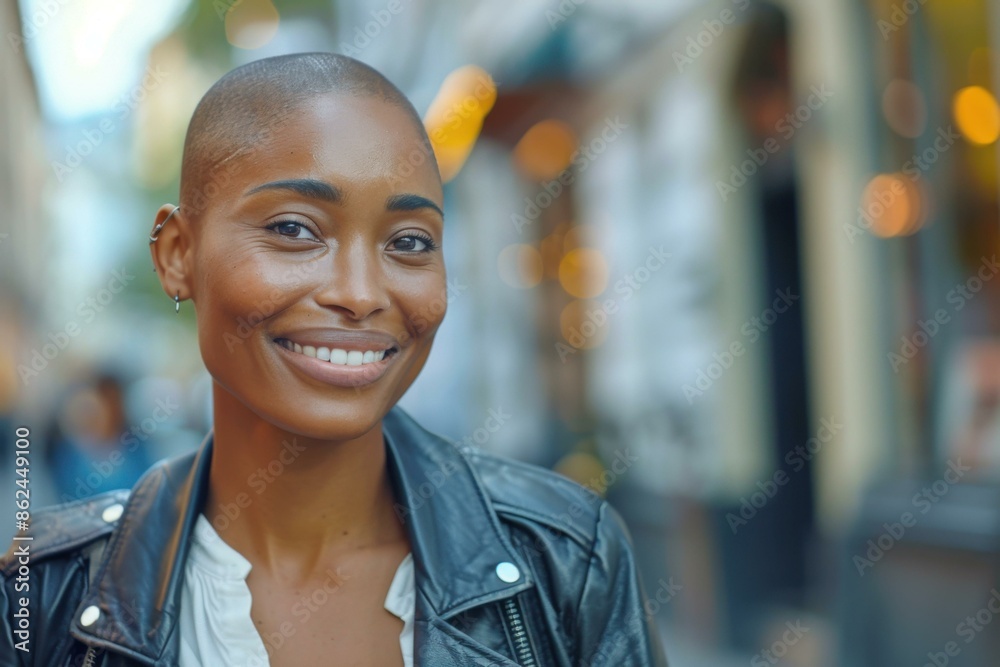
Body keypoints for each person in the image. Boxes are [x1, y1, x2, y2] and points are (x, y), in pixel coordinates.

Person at [1, 52, 668, 666]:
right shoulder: (43, 593)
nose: (359, 292)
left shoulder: (565, 561)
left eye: (409, 242)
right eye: (294, 229)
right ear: (178, 253)